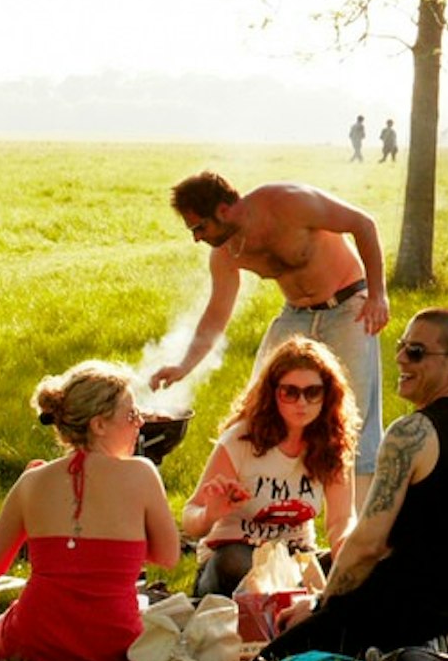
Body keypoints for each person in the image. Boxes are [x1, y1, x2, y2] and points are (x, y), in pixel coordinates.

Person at [262, 308, 448, 661]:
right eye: (401, 346)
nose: (399, 358)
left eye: (416, 352)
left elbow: (367, 543)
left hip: (395, 617)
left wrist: (320, 609)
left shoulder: (412, 433)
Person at [154, 172, 390, 488]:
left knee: (353, 416)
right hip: (295, 315)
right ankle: (255, 501)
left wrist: (377, 295)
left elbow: (363, 224)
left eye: (200, 227)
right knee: (257, 404)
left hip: (348, 306)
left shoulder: (288, 202)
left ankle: (356, 526)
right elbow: (217, 312)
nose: (196, 237)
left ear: (223, 210)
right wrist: (184, 365)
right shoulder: (224, 253)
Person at [0, 361, 181, 661]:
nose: (140, 423)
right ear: (99, 425)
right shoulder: (141, 474)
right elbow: (169, 557)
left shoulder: (31, 483)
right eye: (131, 415)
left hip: (30, 647)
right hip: (110, 657)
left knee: (0, 623)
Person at [180, 335, 357, 598]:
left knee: (363, 567)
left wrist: (346, 550)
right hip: (234, 556)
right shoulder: (242, 440)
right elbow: (190, 517)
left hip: (296, 559)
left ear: (327, 394)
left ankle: (302, 608)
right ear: (272, 393)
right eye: (290, 392)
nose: (302, 402)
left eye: (313, 392)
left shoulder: (333, 442)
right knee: (239, 565)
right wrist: (210, 514)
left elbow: (341, 520)